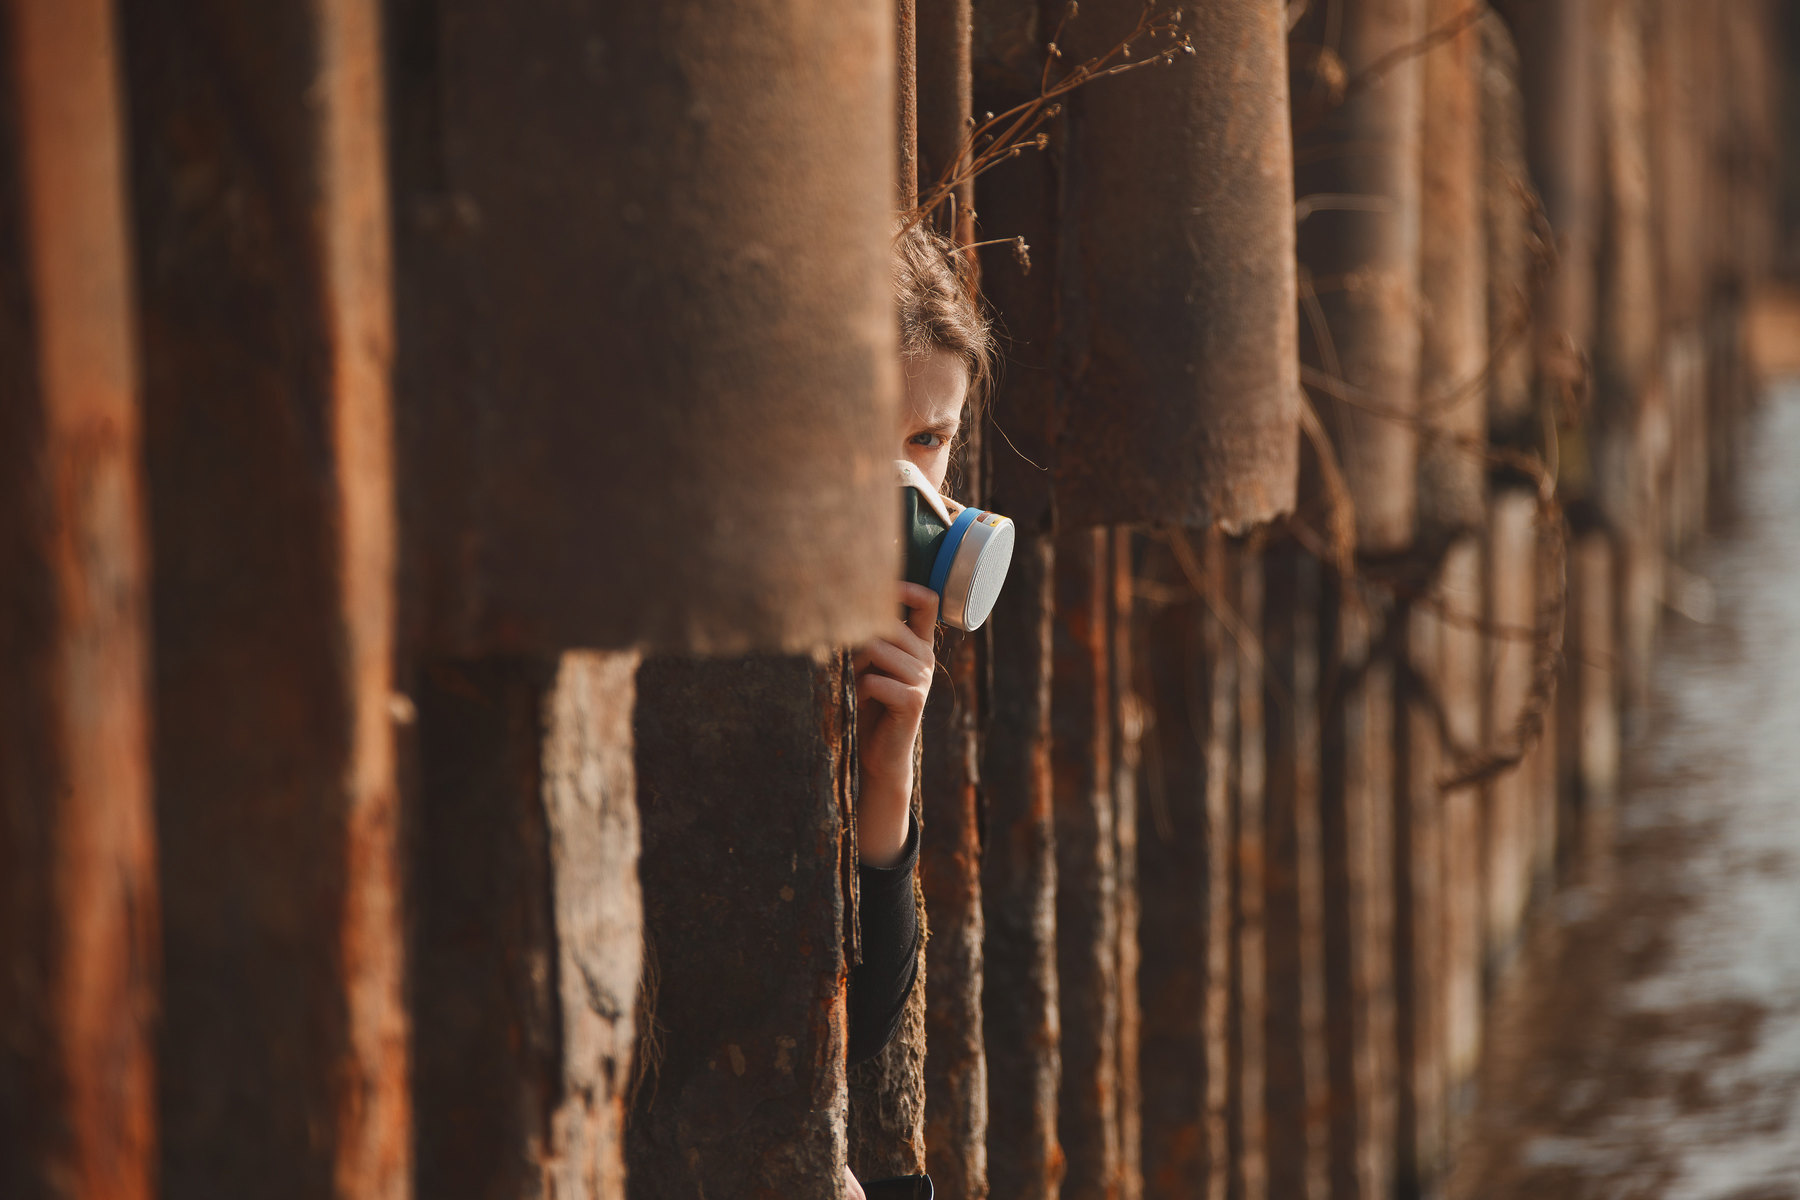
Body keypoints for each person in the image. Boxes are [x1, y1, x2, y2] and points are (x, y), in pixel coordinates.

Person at [841, 222, 993, 1200]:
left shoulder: (879, 652)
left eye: (928, 442)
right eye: (864, 440)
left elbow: (856, 1027)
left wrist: (885, 773)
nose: (907, 489)